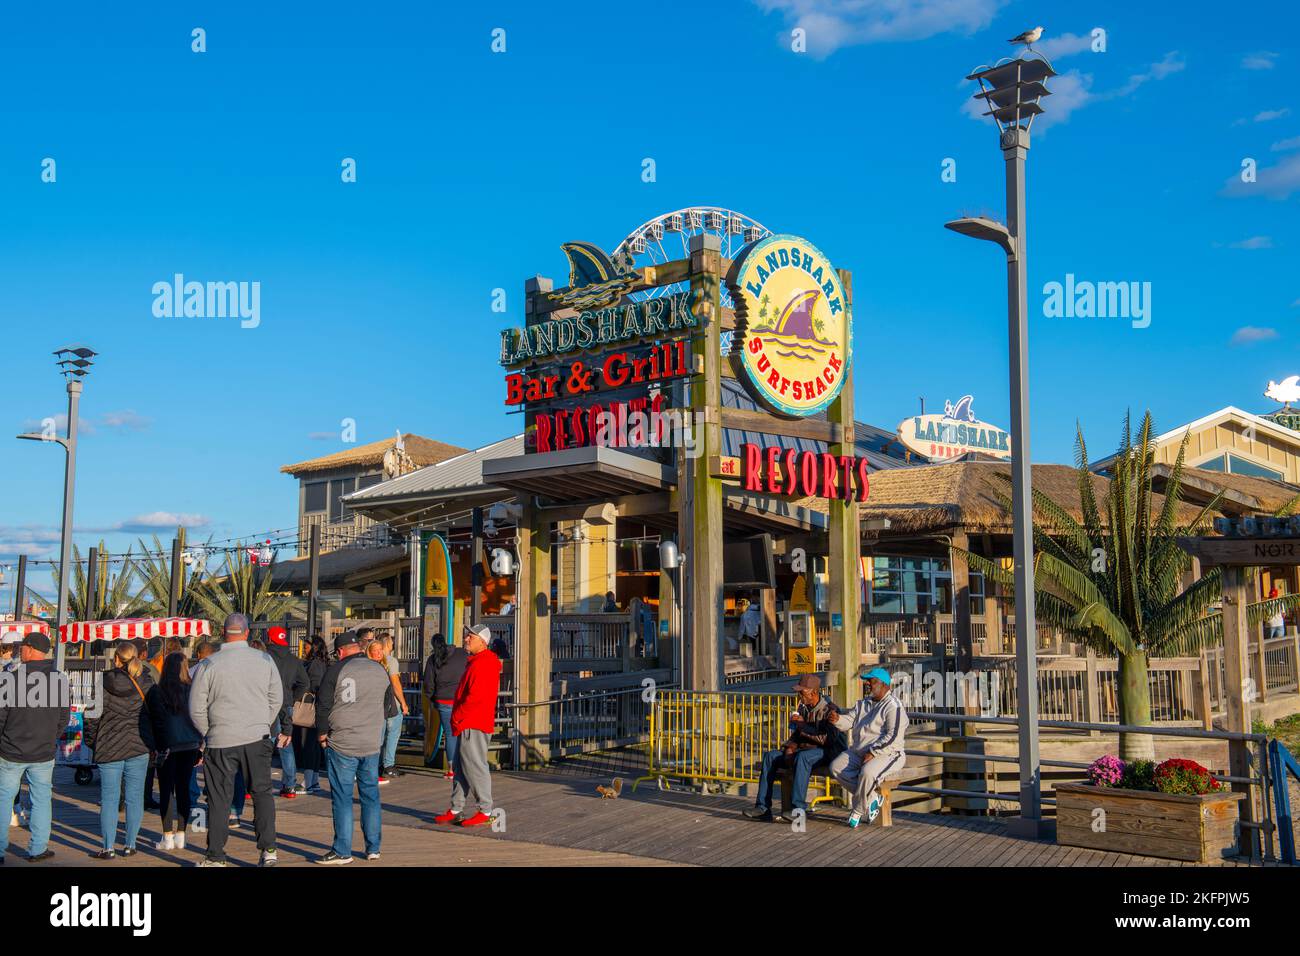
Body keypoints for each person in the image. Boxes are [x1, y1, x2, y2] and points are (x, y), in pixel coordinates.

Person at [188, 613, 284, 867]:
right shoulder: (264, 660)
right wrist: (263, 721)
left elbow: (196, 706)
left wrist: (208, 730)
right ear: (247, 632)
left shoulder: (209, 664)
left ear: (223, 632)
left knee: (219, 798)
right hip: (256, 736)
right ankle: (269, 849)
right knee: (262, 793)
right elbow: (277, 698)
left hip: (220, 738)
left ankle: (216, 856)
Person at [314, 630, 390, 864]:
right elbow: (388, 706)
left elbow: (323, 705)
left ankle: (342, 850)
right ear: (359, 647)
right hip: (371, 742)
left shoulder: (335, 670)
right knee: (370, 796)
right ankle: (373, 847)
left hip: (343, 742)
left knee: (343, 797)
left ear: (340, 651)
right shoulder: (379, 669)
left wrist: (322, 735)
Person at [0, 631, 69, 863]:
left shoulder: (11, 679)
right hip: (43, 752)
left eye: (22, 647)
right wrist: (50, 737)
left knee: (3, 800)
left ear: (29, 649)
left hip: (11, 751)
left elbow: (1, 717)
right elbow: (64, 717)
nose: (20, 651)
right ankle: (37, 848)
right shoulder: (59, 680)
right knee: (41, 800)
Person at [85, 641, 156, 859]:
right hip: (139, 746)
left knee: (110, 798)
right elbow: (157, 716)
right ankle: (130, 844)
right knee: (135, 798)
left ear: (116, 659)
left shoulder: (103, 681)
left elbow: (91, 717)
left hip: (109, 747)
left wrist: (92, 742)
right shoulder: (148, 682)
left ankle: (108, 847)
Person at [743, 673, 840, 823]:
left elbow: (827, 739)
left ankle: (798, 810)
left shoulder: (830, 710)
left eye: (802, 692)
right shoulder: (803, 708)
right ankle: (762, 808)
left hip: (826, 752)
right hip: (805, 750)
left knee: (802, 758)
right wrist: (789, 746)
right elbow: (797, 735)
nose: (799, 696)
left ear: (813, 692)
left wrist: (803, 726)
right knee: (770, 756)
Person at [434, 624, 501, 828]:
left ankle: (486, 809)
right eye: (467, 636)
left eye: (470, 636)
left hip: (473, 721)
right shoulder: (478, 661)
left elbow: (476, 698)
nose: (466, 639)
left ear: (482, 641)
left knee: (475, 765)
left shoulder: (484, 663)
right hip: (469, 721)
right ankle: (456, 807)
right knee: (462, 766)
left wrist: (458, 717)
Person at [827, 666, 909, 828]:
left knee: (867, 773)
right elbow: (848, 722)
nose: (868, 685)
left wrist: (873, 752)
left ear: (885, 685)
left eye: (872, 682)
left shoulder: (894, 706)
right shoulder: (862, 704)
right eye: (867, 682)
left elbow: (893, 736)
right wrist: (837, 720)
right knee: (835, 767)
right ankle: (871, 799)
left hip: (889, 753)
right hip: (860, 751)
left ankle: (857, 811)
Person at [147, 652, 203, 851]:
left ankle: (167, 836)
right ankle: (181, 834)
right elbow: (199, 716)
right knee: (183, 789)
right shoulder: (192, 689)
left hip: (167, 746)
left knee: (166, 790)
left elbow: (154, 722)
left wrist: (155, 746)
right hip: (190, 744)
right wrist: (200, 744)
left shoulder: (157, 691)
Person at [265, 627, 309, 797]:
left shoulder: (265, 657)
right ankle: (290, 785)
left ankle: (258, 783)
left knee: (264, 744)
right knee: (286, 744)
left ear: (270, 638)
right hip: (286, 703)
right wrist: (292, 697)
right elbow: (304, 683)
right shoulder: (293, 659)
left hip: (267, 704)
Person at [422, 634, 467, 779]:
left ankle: (452, 769)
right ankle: (466, 767)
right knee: (463, 733)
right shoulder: (461, 654)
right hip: (461, 700)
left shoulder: (433, 659)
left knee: (450, 735)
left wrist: (430, 699)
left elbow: (428, 683)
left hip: (443, 702)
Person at [292, 635, 329, 793]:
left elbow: (314, 685)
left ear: (314, 648)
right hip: (317, 710)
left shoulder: (314, 664)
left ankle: (308, 781)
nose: (303, 650)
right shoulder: (322, 663)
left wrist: (299, 688)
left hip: (309, 709)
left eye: (306, 647)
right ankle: (313, 781)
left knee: (307, 745)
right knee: (313, 746)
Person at [372, 633, 408, 783]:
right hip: (392, 705)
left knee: (378, 737)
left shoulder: (373, 661)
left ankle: (377, 765)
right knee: (392, 735)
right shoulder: (391, 661)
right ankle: (389, 765)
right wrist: (403, 703)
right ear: (386, 644)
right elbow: (395, 684)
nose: (393, 645)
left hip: (377, 705)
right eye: (391, 642)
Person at [186, 640, 216, 811]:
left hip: (195, 723)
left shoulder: (191, 672)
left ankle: (192, 796)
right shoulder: (219, 670)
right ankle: (211, 795)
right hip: (215, 722)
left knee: (193, 761)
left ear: (198, 655)